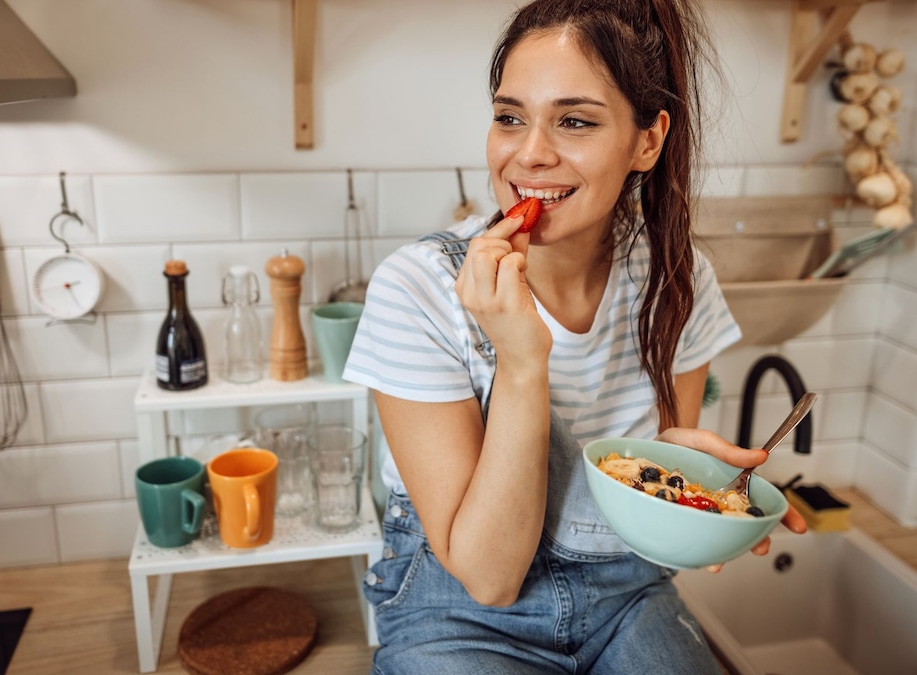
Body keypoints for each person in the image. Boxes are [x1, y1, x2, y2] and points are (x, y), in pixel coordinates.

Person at [342, 0, 807, 672]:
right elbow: (489, 576)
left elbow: (650, 478)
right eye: (510, 117)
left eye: (575, 121)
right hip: (458, 612)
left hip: (627, 596)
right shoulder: (417, 289)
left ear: (647, 142)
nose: (529, 154)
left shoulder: (675, 280)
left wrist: (695, 493)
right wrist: (521, 360)